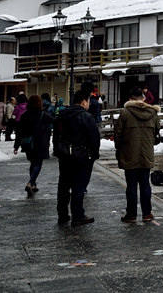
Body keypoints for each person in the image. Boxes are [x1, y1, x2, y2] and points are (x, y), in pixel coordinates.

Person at [53, 90, 101, 226]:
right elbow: (94, 137)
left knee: (63, 184)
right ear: (83, 101)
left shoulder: (62, 115)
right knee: (78, 186)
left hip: (64, 154)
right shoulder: (86, 117)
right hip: (81, 154)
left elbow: (56, 136)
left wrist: (58, 149)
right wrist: (94, 154)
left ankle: (62, 214)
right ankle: (78, 214)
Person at [114, 87, 161, 223]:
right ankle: (147, 213)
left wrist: (120, 148)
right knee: (145, 184)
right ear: (143, 98)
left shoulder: (125, 113)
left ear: (130, 99)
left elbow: (118, 134)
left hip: (129, 154)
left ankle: (131, 214)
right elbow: (157, 133)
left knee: (131, 185)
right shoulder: (152, 112)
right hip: (146, 153)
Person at [14, 94, 54, 197]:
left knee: (33, 163)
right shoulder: (43, 115)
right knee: (38, 164)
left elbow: (19, 132)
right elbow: (55, 121)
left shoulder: (24, 115)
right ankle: (30, 182)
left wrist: (16, 145)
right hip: (40, 143)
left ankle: (34, 184)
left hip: (28, 144)